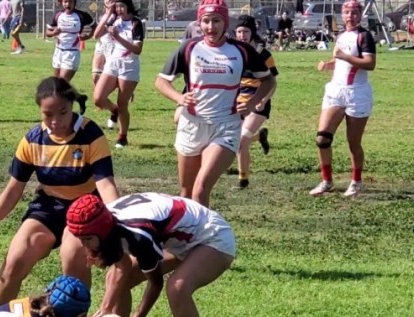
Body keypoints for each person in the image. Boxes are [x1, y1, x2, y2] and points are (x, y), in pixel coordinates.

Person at [0, 77, 119, 317]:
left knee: (72, 255)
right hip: (48, 207)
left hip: (84, 209)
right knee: (14, 260)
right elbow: (13, 190)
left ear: (72, 107)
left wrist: (118, 219)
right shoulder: (32, 140)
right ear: (39, 111)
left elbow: (105, 184)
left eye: (63, 113)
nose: (56, 121)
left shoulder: (91, 135)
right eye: (48, 114)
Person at [65, 193, 235, 317]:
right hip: (181, 240)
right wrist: (102, 312)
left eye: (87, 239)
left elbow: (155, 283)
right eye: (80, 238)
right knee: (116, 278)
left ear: (102, 230)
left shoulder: (138, 234)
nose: (83, 245)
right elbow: (123, 267)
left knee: (176, 288)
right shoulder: (107, 219)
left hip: (213, 237)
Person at [154, 0, 274, 207]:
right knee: (186, 192)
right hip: (192, 124)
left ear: (225, 22)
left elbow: (268, 79)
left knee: (200, 189)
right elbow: (161, 81)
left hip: (226, 125)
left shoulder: (242, 50)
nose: (211, 27)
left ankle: (204, 237)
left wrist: (254, 101)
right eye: (206, 21)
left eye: (216, 21)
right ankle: (187, 236)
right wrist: (179, 98)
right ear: (199, 23)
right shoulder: (189, 48)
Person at [311, 0, 375, 197]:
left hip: (357, 93)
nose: (350, 16)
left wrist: (344, 56)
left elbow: (369, 63)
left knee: (353, 143)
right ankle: (327, 181)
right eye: (347, 13)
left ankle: (356, 182)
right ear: (342, 15)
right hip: (336, 91)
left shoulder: (364, 36)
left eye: (354, 13)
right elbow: (340, 62)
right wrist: (328, 64)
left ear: (360, 15)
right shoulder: (341, 36)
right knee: (322, 139)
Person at [93, 0, 144, 149]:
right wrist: (108, 13)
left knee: (123, 104)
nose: (119, 9)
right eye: (117, 6)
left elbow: (137, 49)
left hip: (129, 65)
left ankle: (122, 137)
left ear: (128, 6)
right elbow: (96, 35)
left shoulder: (136, 23)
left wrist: (118, 37)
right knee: (98, 98)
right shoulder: (114, 19)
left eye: (122, 6)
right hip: (113, 62)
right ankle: (113, 110)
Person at [235, 15, 278, 189]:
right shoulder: (234, 52)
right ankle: (260, 136)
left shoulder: (264, 54)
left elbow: (273, 82)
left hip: (258, 102)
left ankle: (243, 180)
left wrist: (263, 100)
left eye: (245, 31)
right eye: (239, 31)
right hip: (238, 102)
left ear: (252, 33)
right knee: (232, 138)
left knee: (242, 140)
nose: (242, 35)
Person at [46, 0, 95, 82]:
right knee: (56, 83)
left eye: (70, 2)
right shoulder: (58, 15)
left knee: (62, 83)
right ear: (61, 2)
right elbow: (47, 32)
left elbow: (95, 27)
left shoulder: (81, 15)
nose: (68, 4)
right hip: (58, 52)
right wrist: (54, 32)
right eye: (65, 2)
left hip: (72, 53)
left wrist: (87, 36)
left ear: (74, 3)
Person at [91, 0, 115, 88]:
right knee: (95, 76)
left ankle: (127, 87)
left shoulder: (120, 15)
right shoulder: (102, 16)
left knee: (114, 79)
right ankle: (99, 97)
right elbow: (96, 36)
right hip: (101, 46)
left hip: (114, 48)